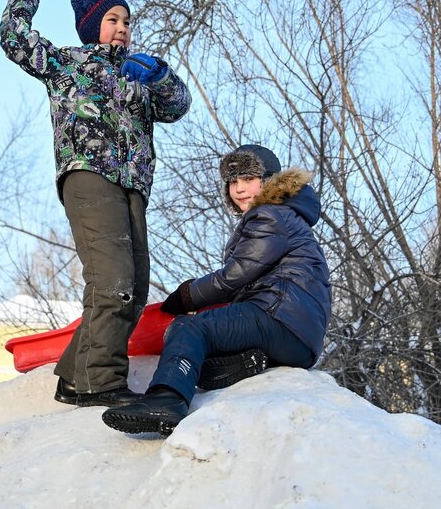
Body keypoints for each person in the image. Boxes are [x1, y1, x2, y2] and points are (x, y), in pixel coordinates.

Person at [0, 0, 191, 407]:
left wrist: (158, 75)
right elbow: (14, 38)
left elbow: (177, 106)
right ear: (91, 27)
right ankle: (101, 382)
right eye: (112, 20)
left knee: (135, 287)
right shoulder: (70, 63)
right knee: (112, 281)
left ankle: (73, 376)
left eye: (126, 20)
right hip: (88, 174)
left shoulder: (137, 76)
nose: (122, 27)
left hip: (133, 186)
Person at [102, 143, 330, 435]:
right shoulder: (288, 215)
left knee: (190, 329)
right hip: (299, 339)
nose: (239, 189)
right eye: (233, 181)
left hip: (278, 316)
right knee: (209, 343)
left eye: (248, 178)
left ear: (270, 179)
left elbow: (235, 276)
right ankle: (242, 364)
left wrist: (187, 296)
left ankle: (166, 399)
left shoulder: (271, 215)